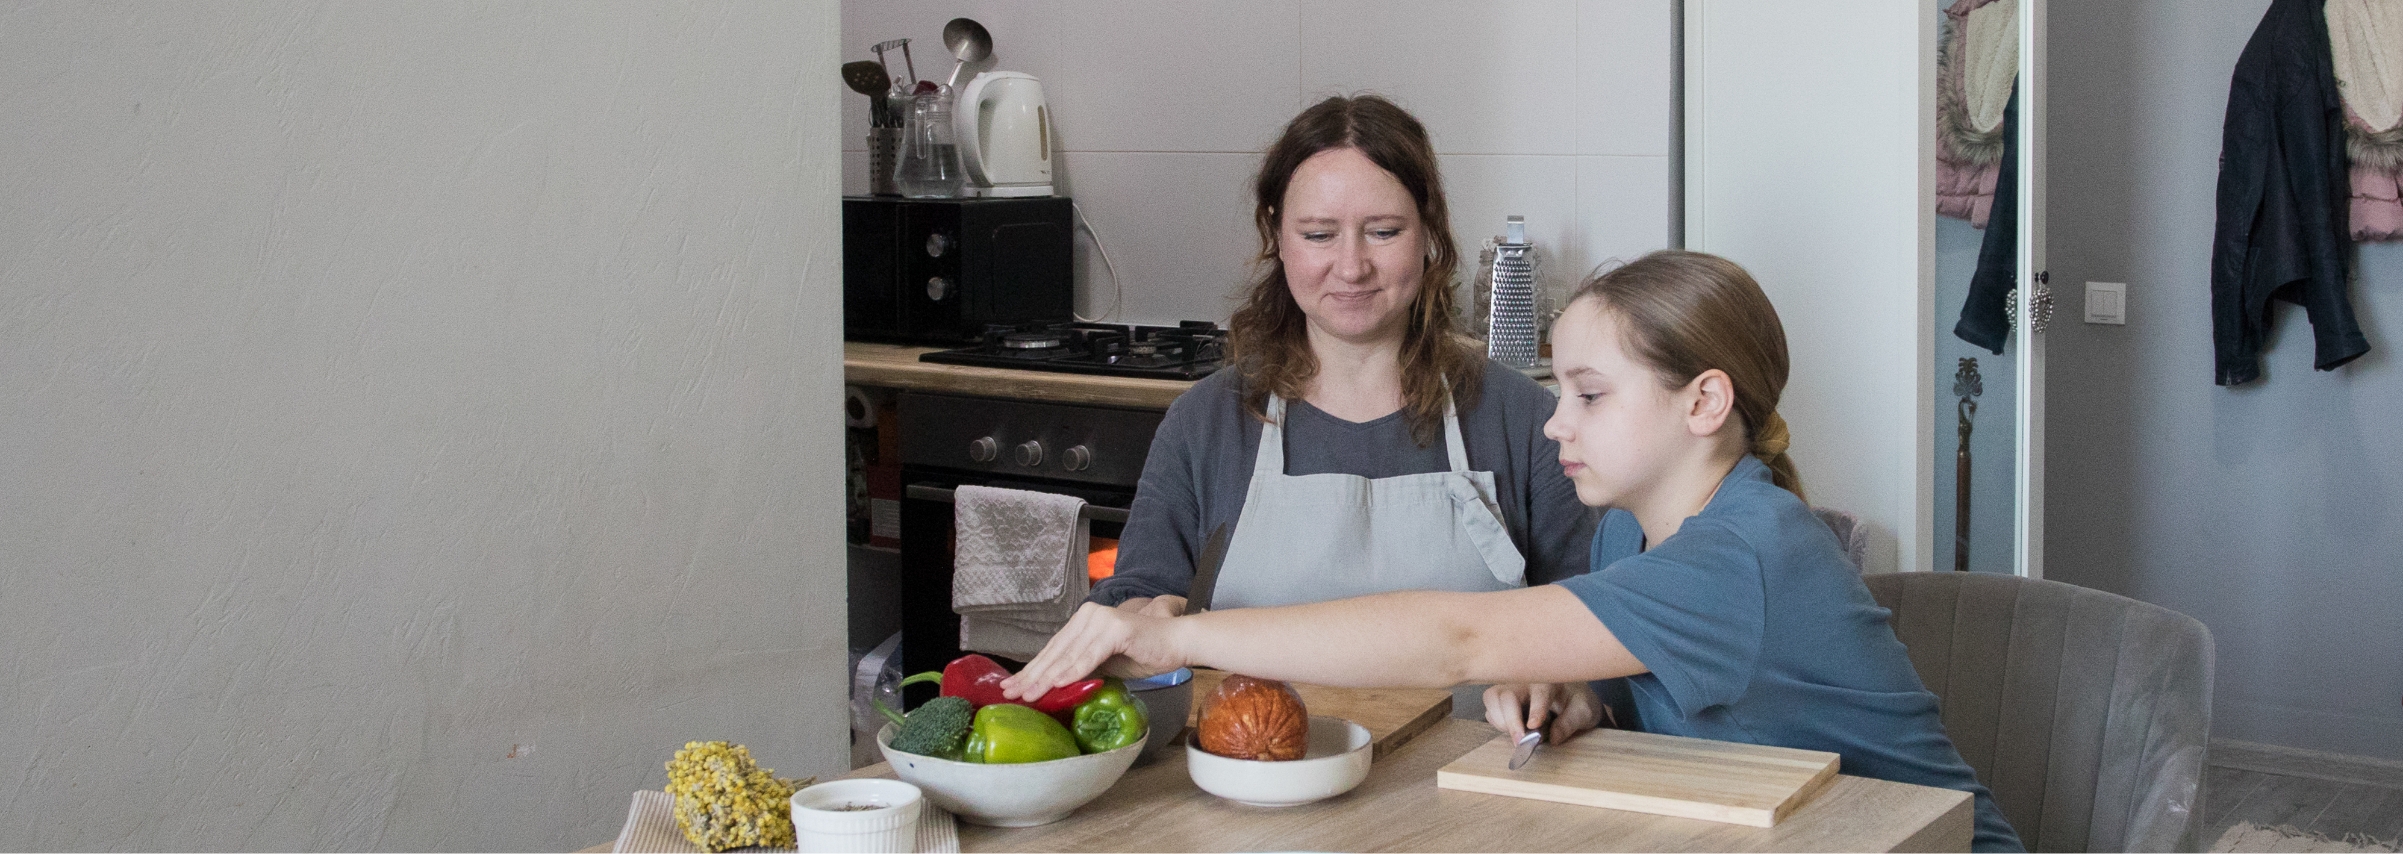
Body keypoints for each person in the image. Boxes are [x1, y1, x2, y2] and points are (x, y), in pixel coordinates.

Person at [1009, 250, 2027, 853]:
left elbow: (1456, 636)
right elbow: (1694, 687)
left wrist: (1171, 629)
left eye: (1588, 394)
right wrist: (1588, 693)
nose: (1553, 424)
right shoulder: (1634, 525)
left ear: (1703, 400)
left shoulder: (1745, 552)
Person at [1085, 94, 1601, 725]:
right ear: (1276, 236)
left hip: (1478, 789)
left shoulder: (1521, 419)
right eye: (1319, 235)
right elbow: (1139, 615)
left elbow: (1600, 626)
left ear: (1430, 234)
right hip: (1257, 790)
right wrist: (1133, 622)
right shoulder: (1208, 424)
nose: (1352, 267)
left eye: (1384, 232)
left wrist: (1571, 691)